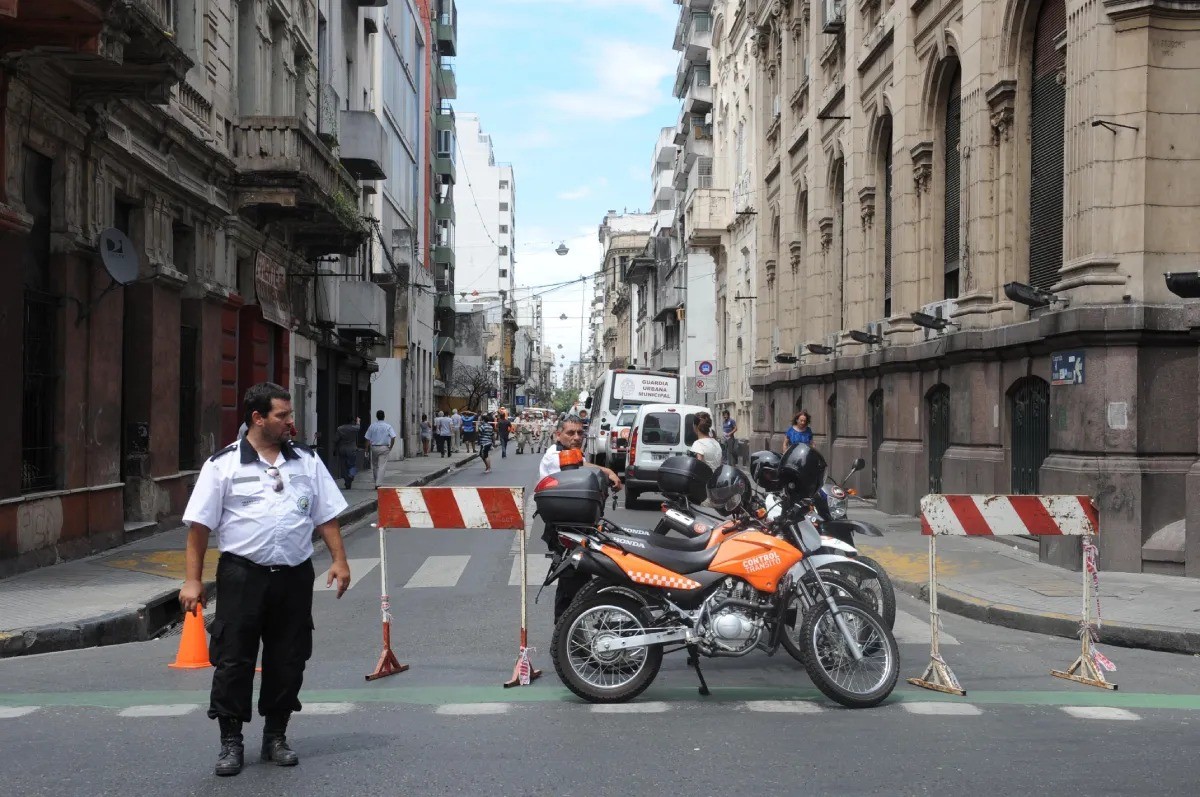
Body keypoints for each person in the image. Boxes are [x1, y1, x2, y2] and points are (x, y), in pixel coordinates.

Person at [179, 382, 351, 778]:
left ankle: (276, 735)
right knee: (233, 659)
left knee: (288, 658)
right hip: (242, 575)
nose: (291, 422)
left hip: (294, 575)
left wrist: (339, 561)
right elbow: (199, 528)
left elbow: (326, 515)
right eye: (282, 415)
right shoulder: (222, 465)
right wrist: (192, 581)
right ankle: (231, 741)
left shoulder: (306, 461)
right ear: (258, 418)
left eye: (290, 414)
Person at [538, 416, 622, 620]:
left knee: (574, 580)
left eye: (579, 433)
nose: (576, 437)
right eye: (570, 433)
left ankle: (567, 629)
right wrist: (607, 471)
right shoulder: (555, 456)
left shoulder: (572, 454)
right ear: (558, 435)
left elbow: (582, 464)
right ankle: (571, 629)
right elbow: (579, 468)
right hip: (562, 528)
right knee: (575, 581)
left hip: (576, 526)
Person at [363, 410, 397, 487]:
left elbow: (367, 438)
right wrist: (391, 446)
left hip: (374, 447)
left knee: (375, 465)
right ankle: (378, 483)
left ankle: (376, 480)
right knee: (382, 466)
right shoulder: (388, 426)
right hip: (384, 447)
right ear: (384, 416)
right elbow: (393, 437)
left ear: (376, 416)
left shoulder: (372, 426)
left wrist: (366, 450)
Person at [333, 416, 361, 490]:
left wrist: (335, 448)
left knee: (343, 466)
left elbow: (336, 440)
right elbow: (358, 427)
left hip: (342, 449)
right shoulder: (354, 428)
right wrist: (358, 421)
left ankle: (347, 481)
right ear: (352, 421)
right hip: (352, 449)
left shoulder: (340, 428)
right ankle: (351, 476)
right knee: (352, 465)